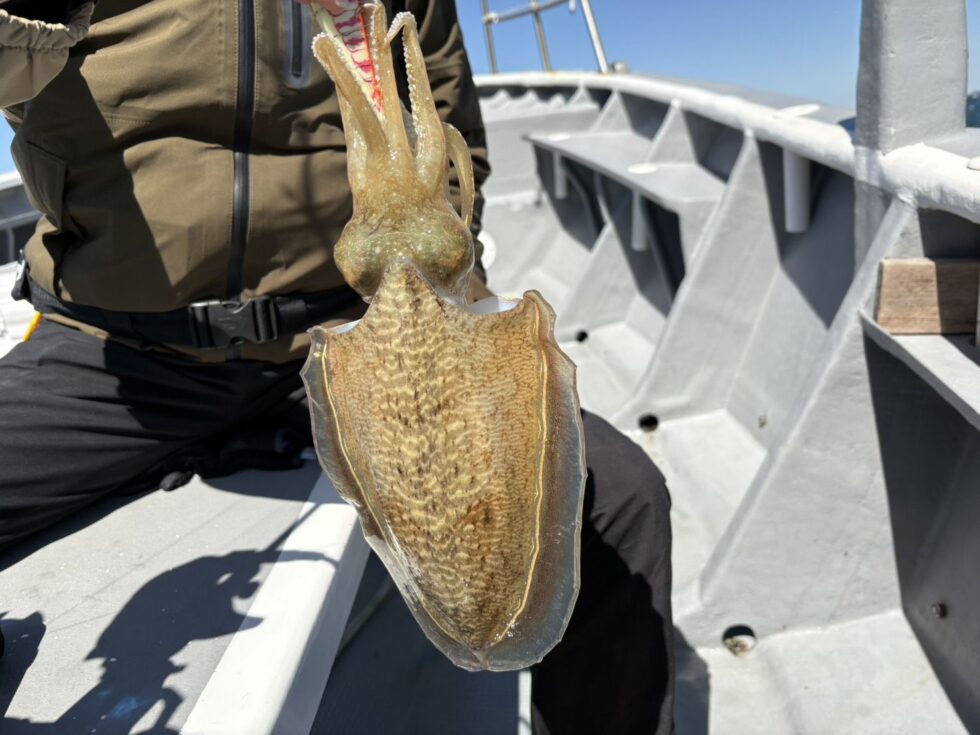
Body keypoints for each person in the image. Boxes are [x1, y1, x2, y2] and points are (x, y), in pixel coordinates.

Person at [0, 0, 674, 731]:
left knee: (618, 498)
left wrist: (435, 275)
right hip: (116, 351)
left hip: (347, 334)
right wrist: (29, 19)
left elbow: (445, 115)